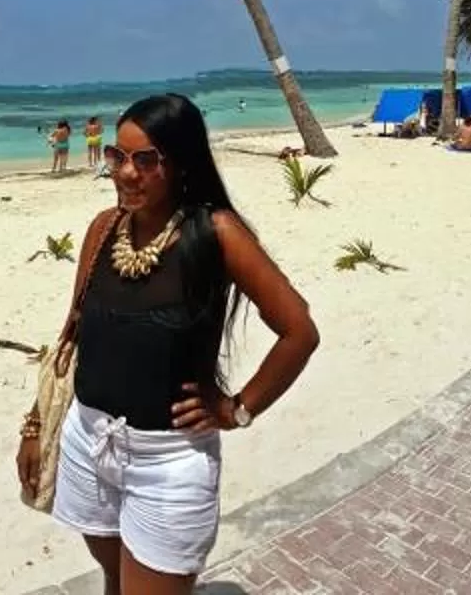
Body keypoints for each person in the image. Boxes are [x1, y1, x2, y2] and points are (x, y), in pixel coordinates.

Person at [42, 94, 320, 592]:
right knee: (113, 580)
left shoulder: (215, 234)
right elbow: (73, 334)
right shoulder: (103, 230)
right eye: (117, 157)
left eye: (145, 160)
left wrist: (238, 409)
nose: (126, 173)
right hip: (87, 442)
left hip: (167, 463)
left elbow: (299, 331)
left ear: (181, 162)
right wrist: (34, 425)